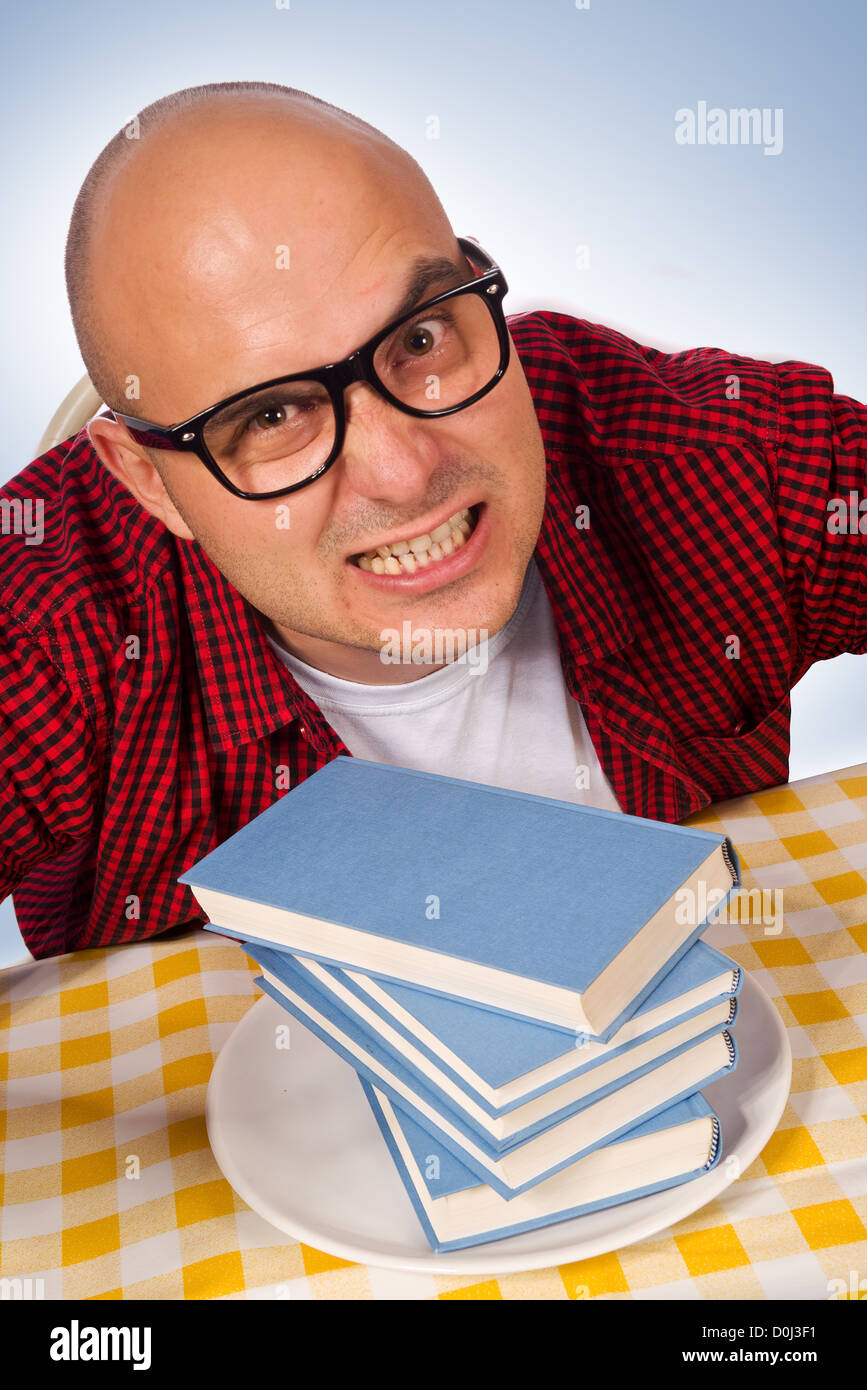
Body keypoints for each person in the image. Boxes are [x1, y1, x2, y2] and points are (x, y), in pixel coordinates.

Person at [1, 80, 864, 960]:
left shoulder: (690, 451)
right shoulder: (54, 616)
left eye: (418, 339)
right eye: (269, 417)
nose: (407, 473)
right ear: (148, 480)